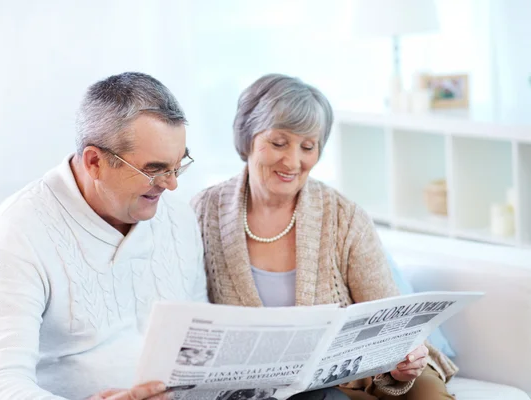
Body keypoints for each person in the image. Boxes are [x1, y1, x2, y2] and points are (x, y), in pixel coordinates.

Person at [191, 74, 457, 400]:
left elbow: (388, 318)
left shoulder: (344, 217)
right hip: (267, 385)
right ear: (247, 138)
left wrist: (402, 360)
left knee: (426, 393)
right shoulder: (204, 213)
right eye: (278, 143)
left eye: (308, 147)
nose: (293, 161)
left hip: (358, 374)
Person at [0, 72, 208, 400]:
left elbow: (200, 334)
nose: (172, 184)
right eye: (154, 170)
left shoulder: (179, 217)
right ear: (95, 162)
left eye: (177, 166)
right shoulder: (19, 230)